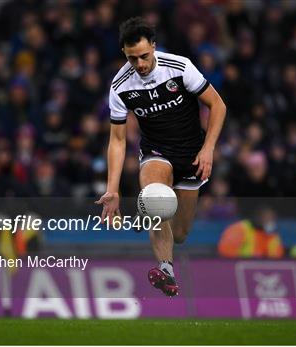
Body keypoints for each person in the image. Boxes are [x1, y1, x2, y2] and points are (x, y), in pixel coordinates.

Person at [96, 17, 226, 297]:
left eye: (144, 56)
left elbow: (217, 105)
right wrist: (112, 189)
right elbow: (117, 141)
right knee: (156, 195)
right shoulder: (120, 86)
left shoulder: (179, 67)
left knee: (179, 234)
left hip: (192, 154)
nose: (140, 64)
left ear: (153, 46)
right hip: (156, 152)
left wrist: (208, 149)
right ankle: (165, 271)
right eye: (133, 59)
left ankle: (148, 213)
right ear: (124, 54)